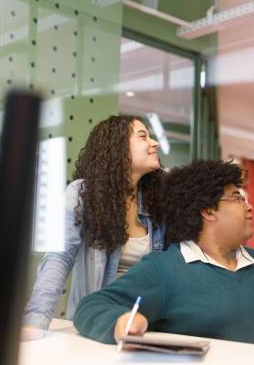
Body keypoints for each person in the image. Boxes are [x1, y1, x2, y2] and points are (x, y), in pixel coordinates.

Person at [73, 160, 254, 349]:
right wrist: (121, 321)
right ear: (208, 211)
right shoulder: (164, 269)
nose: (249, 207)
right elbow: (91, 306)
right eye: (237, 198)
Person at [23, 115, 165, 330]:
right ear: (118, 147)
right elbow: (59, 258)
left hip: (150, 325)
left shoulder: (159, 201)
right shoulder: (83, 194)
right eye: (143, 136)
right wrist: (36, 322)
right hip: (97, 323)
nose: (154, 143)